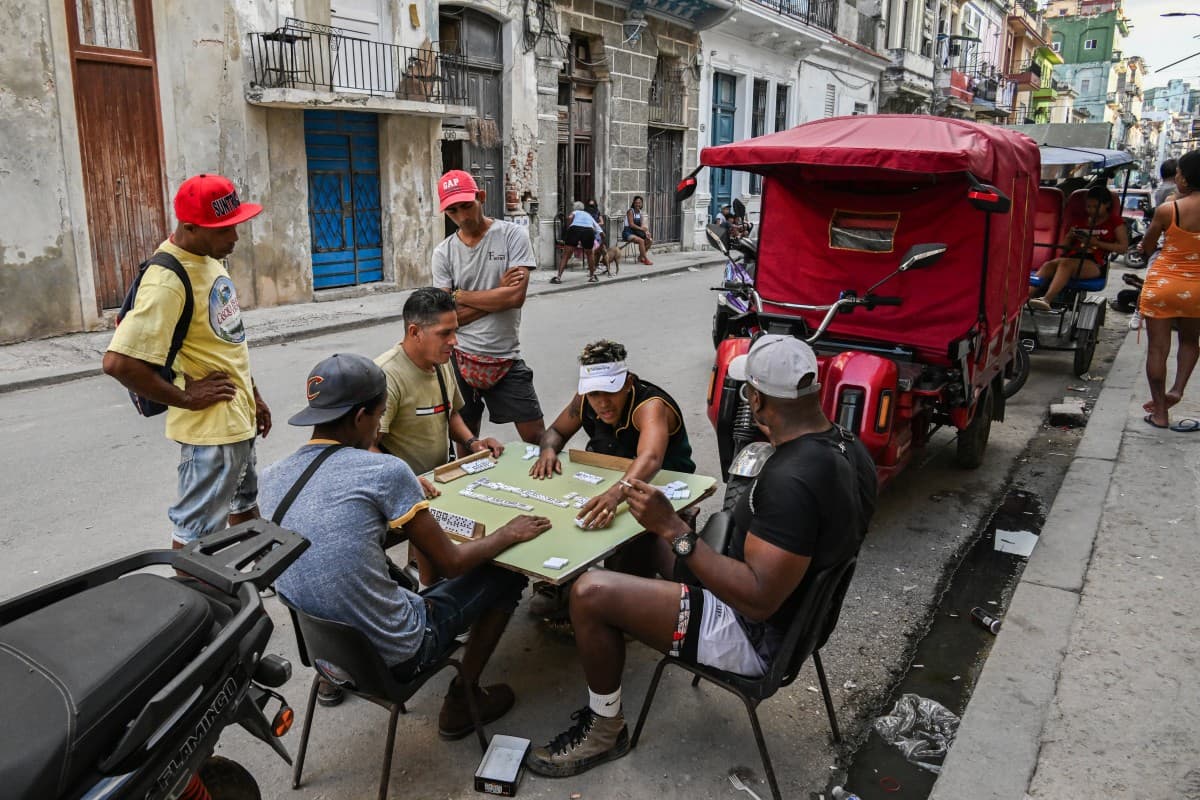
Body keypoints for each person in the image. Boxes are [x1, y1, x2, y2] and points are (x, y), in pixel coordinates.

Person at [525, 335, 877, 778]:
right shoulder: (848, 446)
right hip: (801, 619)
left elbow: (757, 599)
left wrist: (674, 529)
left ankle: (604, 727)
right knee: (643, 538)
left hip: (755, 637)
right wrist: (665, 532)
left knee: (590, 591)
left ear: (757, 398)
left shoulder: (791, 479)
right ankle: (621, 623)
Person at [262, 353, 552, 729]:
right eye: (380, 415)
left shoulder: (271, 478)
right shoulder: (384, 470)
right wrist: (506, 533)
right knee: (506, 577)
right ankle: (463, 699)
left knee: (403, 580)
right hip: (399, 652)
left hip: (325, 652)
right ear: (359, 418)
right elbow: (452, 564)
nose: (380, 425)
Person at [102, 174, 271, 548]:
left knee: (245, 507)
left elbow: (226, 340)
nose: (235, 237)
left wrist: (253, 395)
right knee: (196, 535)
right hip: (211, 433)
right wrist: (186, 397)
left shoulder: (210, 258)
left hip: (235, 418)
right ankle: (195, 604)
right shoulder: (167, 281)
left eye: (236, 225)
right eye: (225, 230)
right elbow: (118, 363)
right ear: (191, 228)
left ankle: (252, 585)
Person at [526, 339, 696, 616]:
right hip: (613, 479)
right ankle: (561, 581)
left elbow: (650, 459)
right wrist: (547, 451)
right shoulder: (585, 400)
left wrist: (615, 495)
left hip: (662, 484)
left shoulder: (650, 406)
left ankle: (622, 602)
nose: (602, 402)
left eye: (610, 391)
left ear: (628, 382)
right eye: (593, 394)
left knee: (631, 541)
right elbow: (556, 431)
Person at [374, 287, 504, 585]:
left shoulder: (441, 363)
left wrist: (473, 443)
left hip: (438, 482)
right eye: (445, 333)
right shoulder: (386, 376)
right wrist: (403, 479)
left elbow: (452, 414)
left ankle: (428, 581)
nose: (454, 341)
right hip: (404, 494)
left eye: (455, 331)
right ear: (415, 331)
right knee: (450, 564)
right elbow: (366, 446)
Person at [432, 169, 545, 448]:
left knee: (537, 438)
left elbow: (516, 297)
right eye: (453, 211)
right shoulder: (443, 253)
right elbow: (446, 318)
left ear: (480, 197)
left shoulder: (512, 236)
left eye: (466, 206)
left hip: (505, 357)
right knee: (467, 442)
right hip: (460, 358)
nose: (462, 216)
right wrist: (498, 295)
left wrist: (461, 296)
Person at [1138, 150, 1200, 431]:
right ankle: (1176, 391)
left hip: (1164, 285)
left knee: (1157, 350)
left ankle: (1160, 413)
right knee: (1189, 342)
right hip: (1197, 289)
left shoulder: (1168, 210)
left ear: (1185, 180)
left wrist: (1143, 247)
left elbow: (1148, 247)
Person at [1028, 185, 1127, 311]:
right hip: (1072, 257)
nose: (1091, 210)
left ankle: (1047, 299)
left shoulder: (1115, 222)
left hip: (1094, 263)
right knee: (1049, 265)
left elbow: (1123, 248)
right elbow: (1064, 249)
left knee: (1066, 265)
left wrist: (1096, 243)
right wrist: (1069, 237)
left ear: (1106, 204)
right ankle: (1025, 298)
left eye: (1095, 207)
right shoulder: (1081, 221)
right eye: (1088, 207)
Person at [552, 201, 605, 284]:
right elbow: (600, 230)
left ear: (574, 208)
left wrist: (569, 227)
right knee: (590, 254)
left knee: (566, 255)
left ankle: (558, 278)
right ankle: (592, 276)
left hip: (575, 229)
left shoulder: (575, 212)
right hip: (588, 230)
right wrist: (602, 242)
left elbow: (569, 218)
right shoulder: (588, 215)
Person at [622, 195, 654, 265]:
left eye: (639, 203)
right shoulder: (630, 211)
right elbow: (631, 224)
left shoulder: (640, 212)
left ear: (641, 204)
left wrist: (646, 232)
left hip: (636, 232)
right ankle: (645, 259)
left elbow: (642, 225)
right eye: (636, 203)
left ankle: (640, 257)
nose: (638, 204)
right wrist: (641, 229)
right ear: (633, 203)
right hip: (628, 232)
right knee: (641, 241)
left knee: (650, 240)